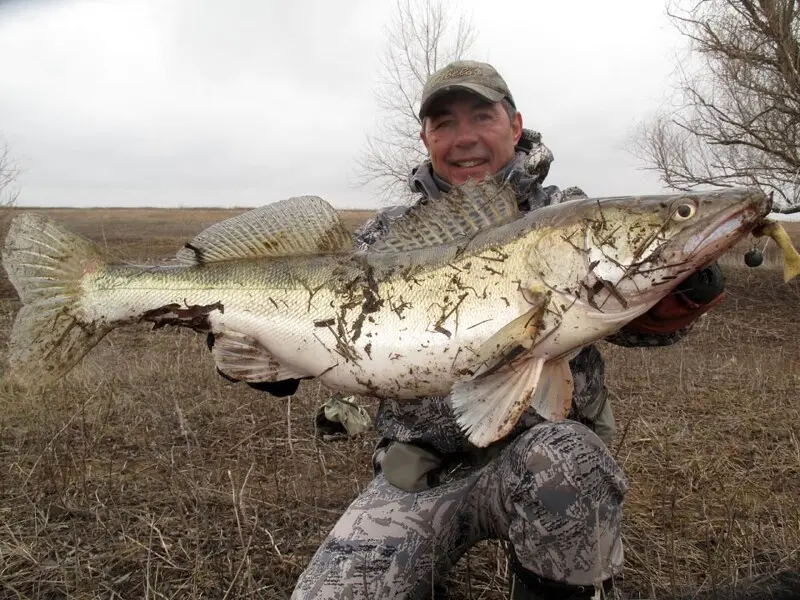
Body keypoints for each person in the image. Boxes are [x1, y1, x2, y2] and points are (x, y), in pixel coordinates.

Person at [219, 61, 726, 599]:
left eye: (481, 116)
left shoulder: (569, 216)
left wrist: (682, 290)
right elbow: (327, 332)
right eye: (443, 124)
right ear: (425, 138)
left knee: (568, 464)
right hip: (419, 474)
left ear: (515, 124)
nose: (463, 139)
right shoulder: (387, 235)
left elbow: (646, 330)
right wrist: (264, 355)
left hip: (547, 462)